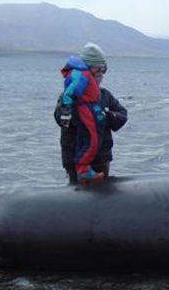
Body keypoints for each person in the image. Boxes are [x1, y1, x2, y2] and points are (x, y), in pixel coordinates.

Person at [55, 43, 128, 184]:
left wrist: (106, 116)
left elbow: (122, 115)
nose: (101, 75)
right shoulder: (68, 98)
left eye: (103, 70)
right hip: (75, 160)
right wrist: (76, 112)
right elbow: (61, 120)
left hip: (101, 158)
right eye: (99, 70)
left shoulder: (105, 96)